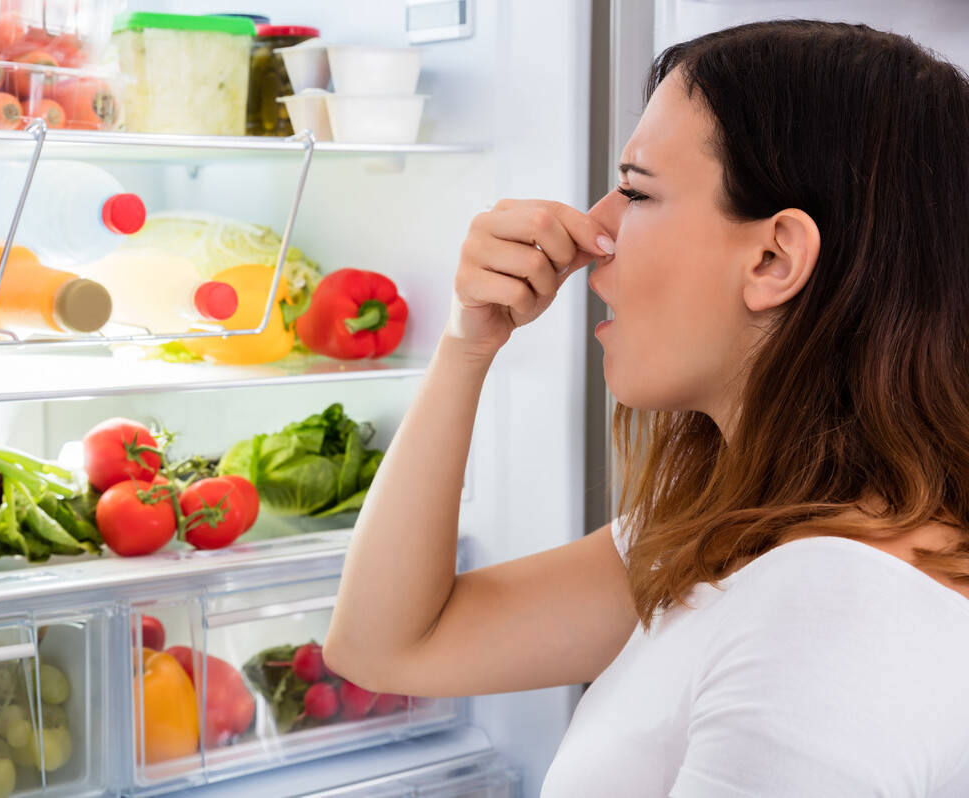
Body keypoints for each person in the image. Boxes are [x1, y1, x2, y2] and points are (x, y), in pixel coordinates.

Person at [323, 19, 969, 797]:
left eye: (636, 191)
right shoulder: (742, 532)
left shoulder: (832, 611)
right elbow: (389, 646)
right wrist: (467, 347)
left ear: (774, 259)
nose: (595, 234)